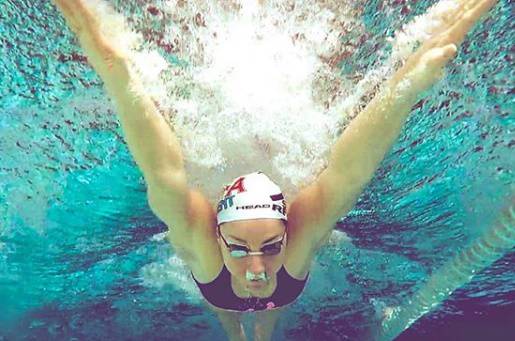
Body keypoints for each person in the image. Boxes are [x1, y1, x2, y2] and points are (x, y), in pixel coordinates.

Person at [52, 1, 498, 340]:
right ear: (218, 236)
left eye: (270, 246)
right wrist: (114, 69)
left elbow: (348, 171)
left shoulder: (298, 240)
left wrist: (410, 84)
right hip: (217, 280)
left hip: (256, 273)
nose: (259, 270)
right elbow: (161, 169)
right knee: (227, 308)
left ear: (287, 231)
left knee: (269, 310)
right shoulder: (197, 240)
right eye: (242, 249)